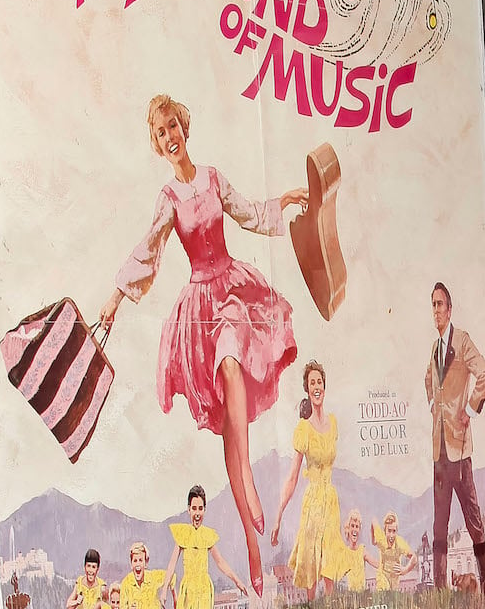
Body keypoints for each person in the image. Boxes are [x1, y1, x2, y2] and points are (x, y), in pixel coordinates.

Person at [98, 95, 306, 594]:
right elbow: (146, 253)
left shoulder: (213, 178)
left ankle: (252, 499)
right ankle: (252, 545)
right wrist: (112, 301)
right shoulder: (167, 199)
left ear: (185, 127)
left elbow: (251, 213)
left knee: (233, 366)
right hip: (199, 310)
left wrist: (287, 201)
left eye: (173, 127)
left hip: (232, 292)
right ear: (157, 145)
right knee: (230, 438)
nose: (170, 137)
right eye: (160, 134)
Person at [425, 282, 485, 591]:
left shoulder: (462, 341)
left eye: (440, 305)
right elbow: (429, 380)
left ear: (450, 309)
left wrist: (469, 408)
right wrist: (432, 403)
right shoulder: (434, 348)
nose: (436, 310)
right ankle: (440, 593)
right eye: (433, 305)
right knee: (439, 525)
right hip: (439, 453)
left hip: (460, 451)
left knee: (474, 520)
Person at [271, 361, 345, 600]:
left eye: (319, 382)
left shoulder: (333, 423)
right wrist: (278, 516)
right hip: (313, 503)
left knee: (330, 559)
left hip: (331, 502)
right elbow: (292, 477)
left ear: (325, 386)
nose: (316, 386)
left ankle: (331, 604)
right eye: (312, 382)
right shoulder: (303, 429)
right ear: (307, 389)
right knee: (312, 562)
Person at [161, 485, 248, 609]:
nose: (197, 513)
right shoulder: (183, 534)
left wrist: (237, 581)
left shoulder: (207, 535)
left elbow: (220, 562)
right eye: (194, 508)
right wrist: (164, 590)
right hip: (188, 590)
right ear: (189, 509)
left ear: (204, 510)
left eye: (200, 509)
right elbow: (172, 564)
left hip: (204, 591)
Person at [371, 510, 418, 591]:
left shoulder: (400, 543)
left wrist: (405, 570)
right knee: (384, 592)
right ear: (385, 530)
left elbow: (414, 558)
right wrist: (373, 539)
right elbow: (373, 521)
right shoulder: (381, 539)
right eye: (389, 531)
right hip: (382, 576)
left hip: (395, 580)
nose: (392, 535)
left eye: (394, 531)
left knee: (393, 599)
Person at [334, 509, 378, 590]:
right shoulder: (344, 552)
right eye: (352, 526)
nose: (354, 529)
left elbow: (377, 564)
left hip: (361, 595)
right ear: (348, 528)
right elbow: (337, 576)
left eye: (357, 526)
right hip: (348, 595)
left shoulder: (362, 550)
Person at [119, 543, 166, 609]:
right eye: (135, 561)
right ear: (131, 564)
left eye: (140, 560)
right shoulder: (126, 583)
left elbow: (172, 576)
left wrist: (165, 591)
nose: (138, 564)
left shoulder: (153, 577)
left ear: (146, 563)